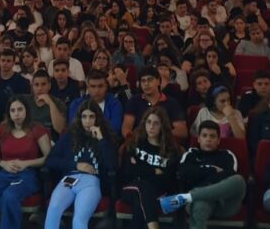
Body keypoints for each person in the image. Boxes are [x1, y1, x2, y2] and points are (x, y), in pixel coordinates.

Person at [0, 97, 51, 229]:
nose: (16, 114)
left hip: (27, 175)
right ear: (9, 113)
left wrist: (26, 163)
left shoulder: (37, 129)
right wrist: (2, 163)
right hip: (4, 173)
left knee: (9, 196)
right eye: (13, 110)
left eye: (20, 109)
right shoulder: (2, 129)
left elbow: (48, 157)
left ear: (26, 111)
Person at [44, 99, 117, 229]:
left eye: (91, 117)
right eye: (84, 117)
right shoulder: (70, 135)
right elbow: (50, 160)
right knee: (53, 210)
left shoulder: (105, 137)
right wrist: (75, 165)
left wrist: (100, 139)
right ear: (79, 118)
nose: (88, 121)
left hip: (91, 182)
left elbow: (112, 165)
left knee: (79, 219)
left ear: (98, 118)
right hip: (69, 179)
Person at [160, 120, 248, 228]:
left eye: (212, 136)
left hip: (224, 203)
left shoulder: (227, 155)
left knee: (239, 180)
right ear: (198, 139)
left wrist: (198, 174)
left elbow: (227, 177)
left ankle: (186, 197)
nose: (208, 139)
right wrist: (211, 170)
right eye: (204, 135)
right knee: (200, 204)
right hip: (199, 202)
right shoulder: (191, 154)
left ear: (218, 140)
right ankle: (192, 197)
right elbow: (183, 173)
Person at [120, 107, 182, 229]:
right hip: (130, 189)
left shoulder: (171, 150)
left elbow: (168, 179)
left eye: (156, 123)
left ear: (162, 126)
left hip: (159, 193)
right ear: (144, 124)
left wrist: (140, 169)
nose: (151, 126)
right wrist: (154, 171)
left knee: (141, 201)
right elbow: (128, 171)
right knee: (144, 187)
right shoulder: (135, 143)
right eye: (148, 122)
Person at [123, 65, 187, 139]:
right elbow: (127, 126)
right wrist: (131, 137)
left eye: (150, 80)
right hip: (140, 141)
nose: (146, 84)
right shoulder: (134, 100)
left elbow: (182, 131)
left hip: (164, 143)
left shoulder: (171, 103)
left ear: (159, 81)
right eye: (143, 81)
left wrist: (157, 134)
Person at [67, 69, 124, 134]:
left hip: (106, 142)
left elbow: (114, 129)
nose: (96, 90)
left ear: (106, 87)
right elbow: (74, 128)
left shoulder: (114, 103)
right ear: (88, 88)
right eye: (93, 86)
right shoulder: (76, 104)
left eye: (100, 86)